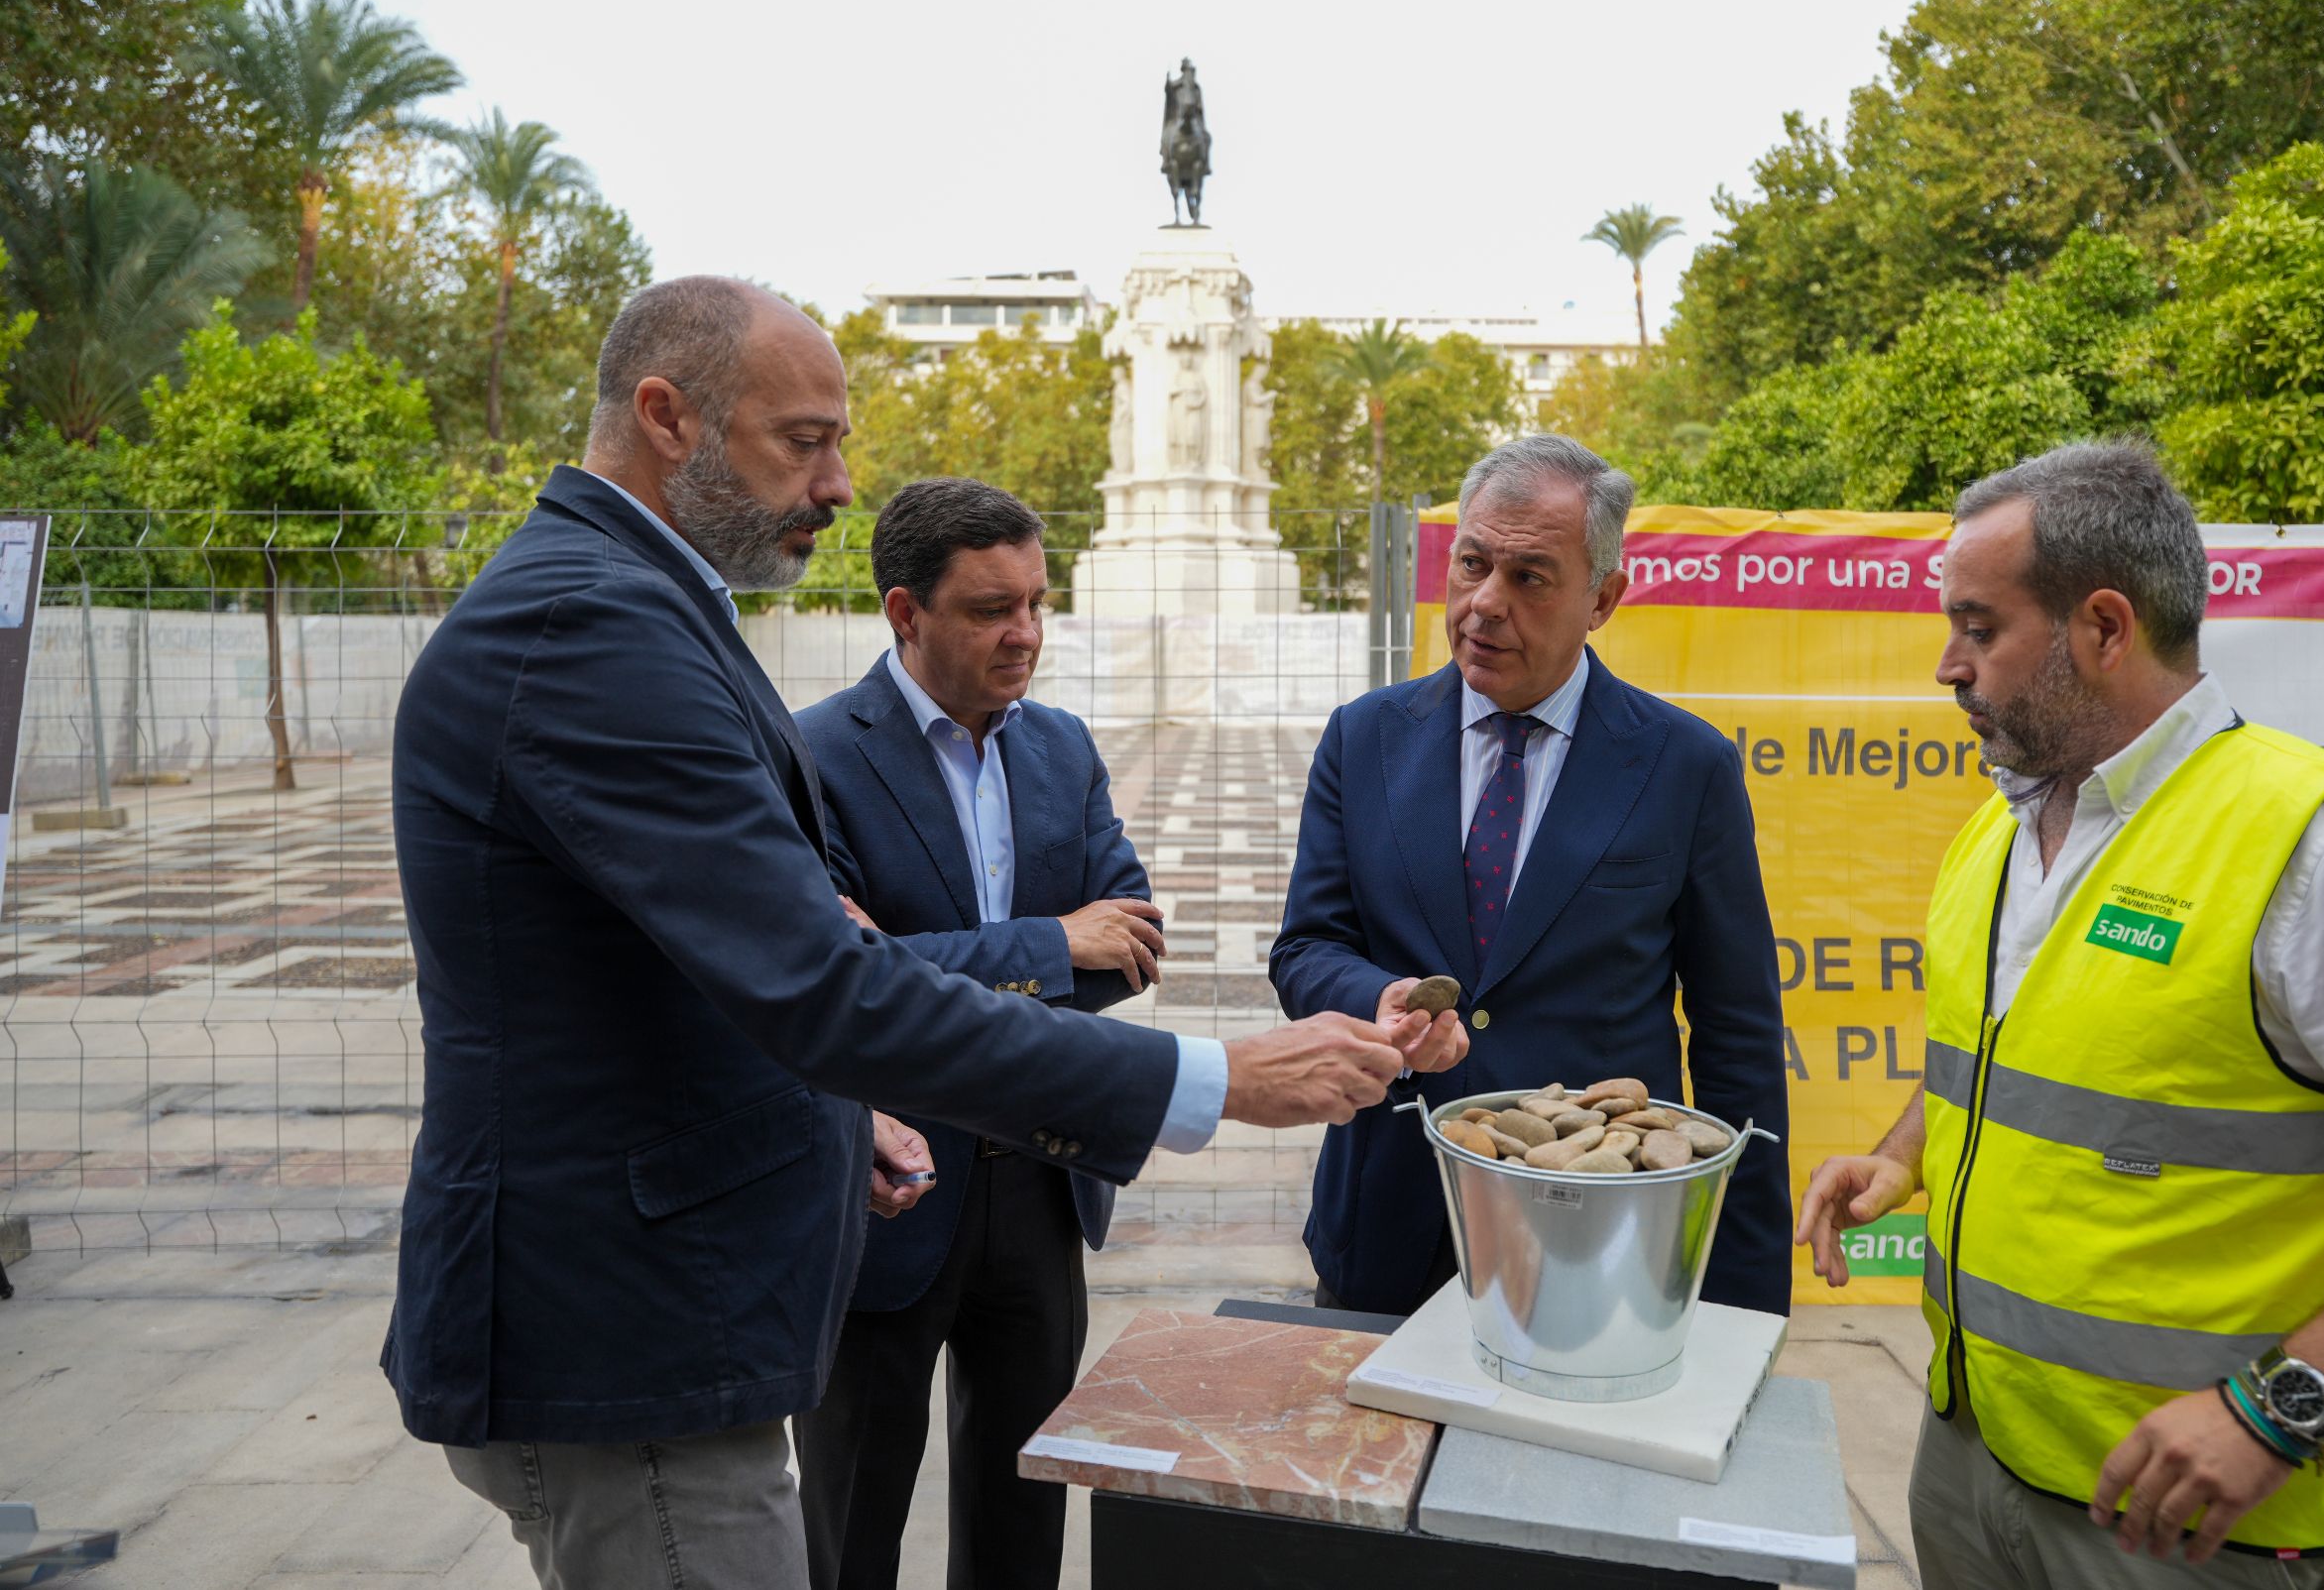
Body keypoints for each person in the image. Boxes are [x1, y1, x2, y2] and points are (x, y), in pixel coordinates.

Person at [388, 277, 1418, 1589]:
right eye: (804, 439)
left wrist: (827, 1103)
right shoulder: (593, 623)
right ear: (666, 416)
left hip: (673, 1317)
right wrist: (1210, 1077)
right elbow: (829, 978)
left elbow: (712, 960)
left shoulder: (638, 602)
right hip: (626, 1347)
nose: (837, 483)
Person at [1797, 440, 2324, 1585]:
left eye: (1979, 627)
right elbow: (2013, 1047)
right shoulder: (2003, 831)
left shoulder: (2320, 849)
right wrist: (1907, 1150)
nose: (1948, 664)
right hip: (1978, 1460)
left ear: (2101, 626)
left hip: (2206, 1525)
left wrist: (2276, 1411)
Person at [1271, 433, 1793, 1316]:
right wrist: (1383, 996)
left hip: (1598, 1239)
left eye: (1530, 578)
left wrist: (1739, 1296)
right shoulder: (1365, 738)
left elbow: (1736, 1033)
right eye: (1472, 564)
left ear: (1604, 599)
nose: (1484, 604)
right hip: (1390, 1216)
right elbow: (1308, 947)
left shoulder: (1683, 766)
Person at [788, 479, 1166, 1590]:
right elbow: (828, 983)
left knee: (1022, 1528)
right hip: (885, 1186)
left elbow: (1132, 942)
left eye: (1038, 603)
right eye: (990, 609)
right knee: (849, 1525)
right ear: (904, 612)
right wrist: (1052, 944)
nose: (1026, 634)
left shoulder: (1061, 746)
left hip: (1044, 1182)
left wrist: (935, 966)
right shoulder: (811, 756)